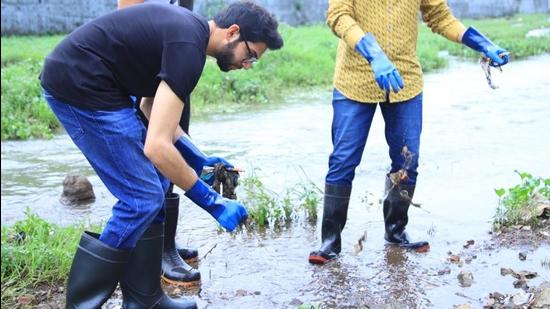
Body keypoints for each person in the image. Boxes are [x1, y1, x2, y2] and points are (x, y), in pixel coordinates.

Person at [40, 1, 283, 308]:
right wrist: (213, 202)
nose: (247, 65)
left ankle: (145, 298)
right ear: (233, 32)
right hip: (81, 86)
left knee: (154, 183)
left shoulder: (187, 35)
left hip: (101, 86)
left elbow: (149, 108)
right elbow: (157, 146)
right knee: (141, 198)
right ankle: (82, 304)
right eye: (250, 55)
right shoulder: (187, 47)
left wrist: (197, 157)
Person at [308, 0, 509, 265]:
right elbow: (339, 16)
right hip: (354, 79)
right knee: (343, 160)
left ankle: (395, 231)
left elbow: (439, 17)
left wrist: (480, 42)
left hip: (405, 79)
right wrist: (373, 53)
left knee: (407, 161)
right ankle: (330, 241)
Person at [117, 0, 203, 288]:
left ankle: (165, 243)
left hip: (175, 64)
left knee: (175, 151)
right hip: (144, 72)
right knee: (152, 159)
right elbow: (127, 21)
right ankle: (155, 253)